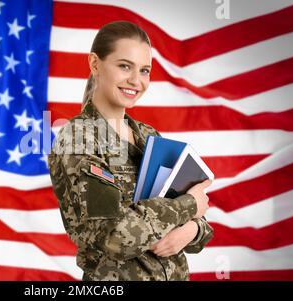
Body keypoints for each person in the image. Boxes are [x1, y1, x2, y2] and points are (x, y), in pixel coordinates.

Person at [48, 21, 213, 281]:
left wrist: (191, 229)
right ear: (95, 64)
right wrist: (188, 206)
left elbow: (202, 229)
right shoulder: (78, 141)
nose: (136, 81)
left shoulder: (149, 136)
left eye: (144, 70)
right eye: (124, 66)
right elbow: (116, 237)